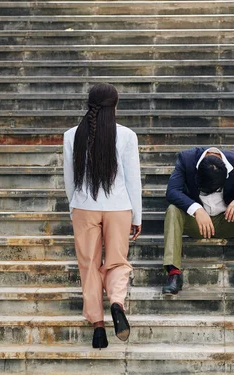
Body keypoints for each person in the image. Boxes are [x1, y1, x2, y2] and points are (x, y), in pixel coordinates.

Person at [63, 83, 142, 349]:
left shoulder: (71, 135)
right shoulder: (127, 136)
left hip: (84, 207)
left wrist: (75, 205)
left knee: (89, 266)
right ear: (115, 106)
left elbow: (70, 179)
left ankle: (98, 326)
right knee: (117, 261)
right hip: (119, 207)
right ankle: (117, 303)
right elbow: (133, 180)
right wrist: (137, 216)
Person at [162, 147, 234, 295]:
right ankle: (174, 274)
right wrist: (196, 209)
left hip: (227, 221)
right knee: (173, 209)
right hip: (196, 223)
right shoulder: (186, 159)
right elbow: (172, 191)